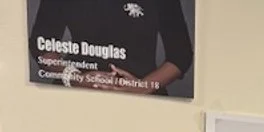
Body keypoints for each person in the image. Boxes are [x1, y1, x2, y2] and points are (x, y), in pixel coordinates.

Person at [29, 0, 193, 95]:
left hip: (144, 99)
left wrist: (142, 87)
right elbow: (40, 44)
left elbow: (180, 55)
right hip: (78, 95)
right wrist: (75, 78)